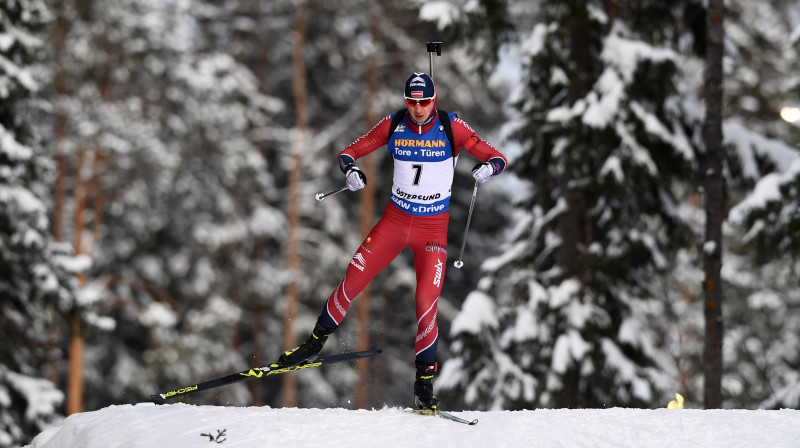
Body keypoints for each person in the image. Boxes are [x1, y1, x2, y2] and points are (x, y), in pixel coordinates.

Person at [276, 72, 508, 410]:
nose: (417, 109)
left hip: (432, 231)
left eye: (424, 102)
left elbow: (497, 157)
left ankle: (424, 385)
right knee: (352, 280)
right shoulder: (394, 124)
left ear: (435, 99)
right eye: (411, 102)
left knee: (426, 299)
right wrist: (351, 172)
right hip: (395, 223)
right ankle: (312, 345)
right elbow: (349, 152)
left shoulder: (450, 126)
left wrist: (489, 169)